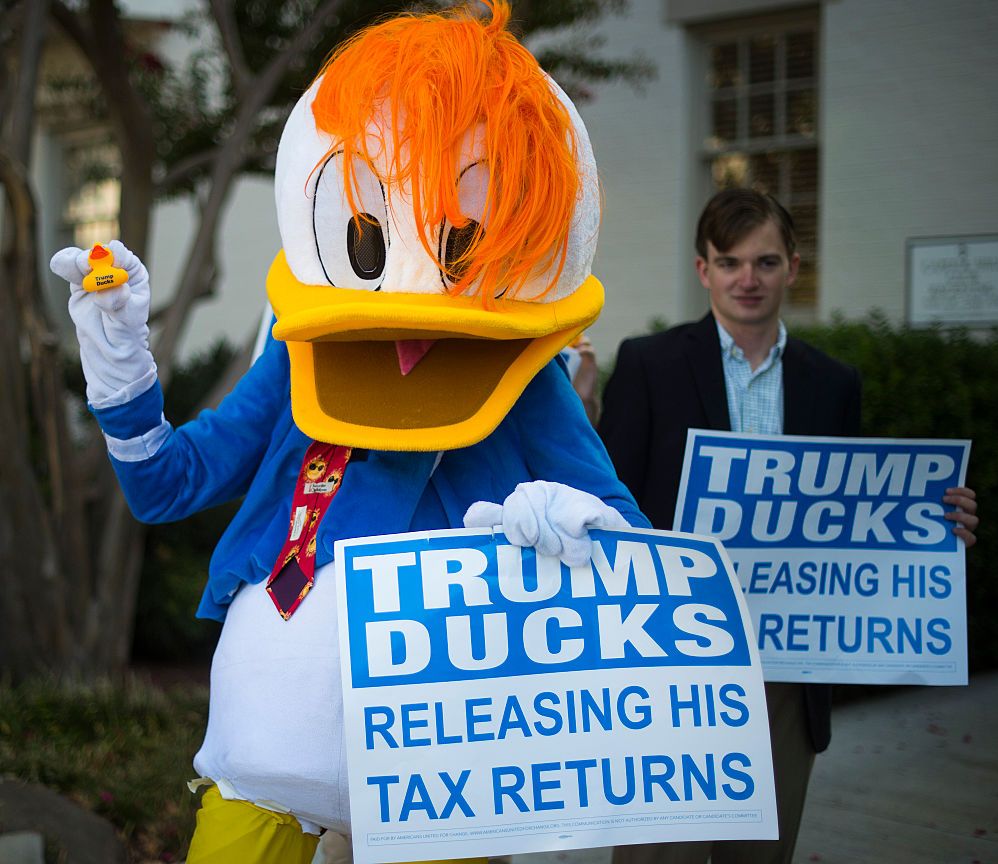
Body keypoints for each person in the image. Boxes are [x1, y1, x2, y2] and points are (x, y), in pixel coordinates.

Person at [50, 4, 649, 863]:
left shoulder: (526, 382)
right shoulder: (302, 361)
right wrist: (118, 369)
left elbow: (619, 530)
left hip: (441, 759)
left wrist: (569, 525)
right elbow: (168, 484)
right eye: (371, 237)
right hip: (276, 743)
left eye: (457, 242)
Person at [598, 188, 979, 864]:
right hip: (674, 660)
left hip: (787, 671)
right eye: (731, 262)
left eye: (766, 262)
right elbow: (611, 499)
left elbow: (850, 518)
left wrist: (934, 525)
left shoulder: (834, 383)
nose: (748, 279)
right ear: (703, 270)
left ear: (795, 268)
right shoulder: (648, 365)